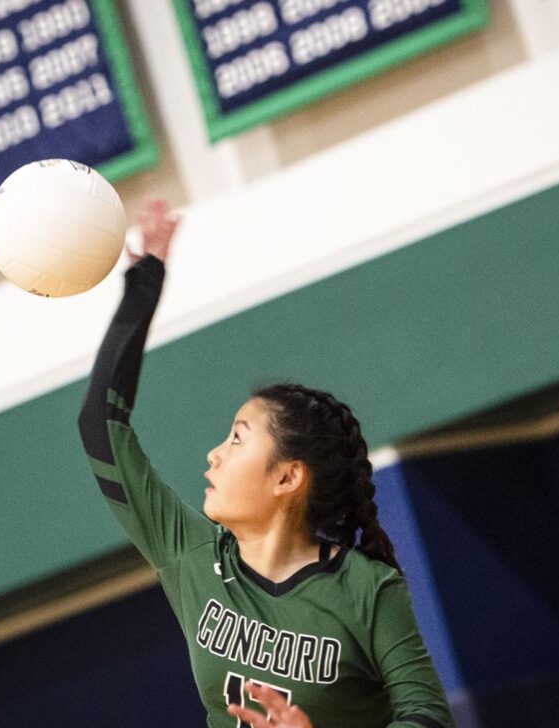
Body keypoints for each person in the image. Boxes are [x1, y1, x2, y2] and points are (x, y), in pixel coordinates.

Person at [78, 198, 454, 728]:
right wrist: (143, 288)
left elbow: (430, 717)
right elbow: (100, 422)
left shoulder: (367, 589)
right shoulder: (189, 552)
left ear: (287, 476)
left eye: (237, 438)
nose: (213, 453)